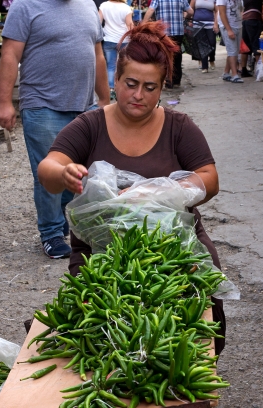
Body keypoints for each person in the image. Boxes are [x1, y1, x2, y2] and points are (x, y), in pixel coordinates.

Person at [38, 20, 225, 355]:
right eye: (131, 83)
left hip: (175, 250)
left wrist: (158, 193)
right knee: (105, 342)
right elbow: (47, 168)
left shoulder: (178, 127)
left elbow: (208, 179)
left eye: (150, 87)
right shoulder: (90, 125)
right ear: (115, 79)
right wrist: (64, 172)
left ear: (162, 87)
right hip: (100, 255)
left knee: (194, 339)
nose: (139, 95)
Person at [0, 0, 110, 259]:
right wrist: (3, 102)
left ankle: (68, 221)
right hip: (42, 105)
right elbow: (10, 54)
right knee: (49, 173)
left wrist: (104, 100)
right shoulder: (25, 5)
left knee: (79, 174)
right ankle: (52, 233)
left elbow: (97, 54)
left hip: (85, 106)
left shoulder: (88, 4)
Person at [143, 0, 194, 88]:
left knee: (164, 56)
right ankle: (177, 81)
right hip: (178, 31)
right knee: (177, 55)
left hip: (164, 33)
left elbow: (151, 10)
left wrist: (143, 23)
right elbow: (191, 11)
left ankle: (168, 81)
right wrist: (185, 16)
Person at [99, 0, 134, 100]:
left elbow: (97, 22)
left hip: (109, 39)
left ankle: (110, 90)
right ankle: (123, 87)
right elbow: (129, 25)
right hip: (123, 40)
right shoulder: (126, 7)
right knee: (124, 64)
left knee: (110, 65)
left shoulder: (104, 5)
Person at [217, 0, 244, 83]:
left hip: (238, 25)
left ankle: (226, 73)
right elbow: (222, 13)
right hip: (227, 26)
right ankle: (234, 75)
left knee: (234, 50)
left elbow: (241, 9)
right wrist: (228, 29)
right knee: (232, 51)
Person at [190, 0, 219, 73]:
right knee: (202, 45)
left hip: (210, 23)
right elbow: (190, 9)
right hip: (198, 24)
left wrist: (216, 24)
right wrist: (190, 21)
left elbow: (217, 11)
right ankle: (204, 66)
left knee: (212, 42)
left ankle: (212, 59)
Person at [240, 0, 263, 77]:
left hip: (245, 20)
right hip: (254, 18)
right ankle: (260, 71)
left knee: (246, 45)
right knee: (256, 44)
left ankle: (243, 69)